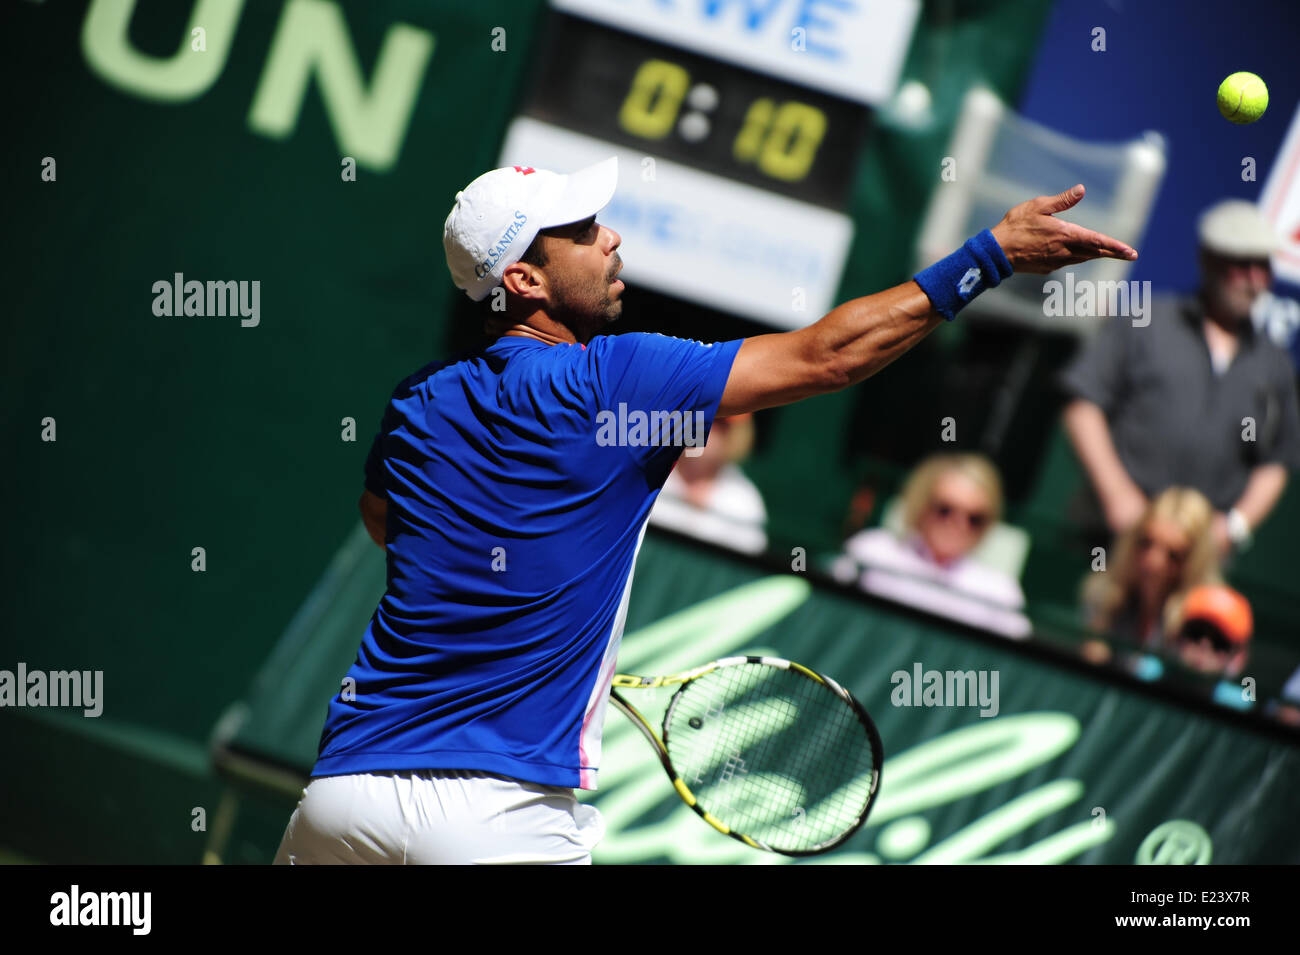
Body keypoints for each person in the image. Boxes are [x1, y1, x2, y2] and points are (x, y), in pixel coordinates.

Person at [273, 158, 1135, 865]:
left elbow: (385, 519)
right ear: (525, 277)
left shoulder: (417, 401)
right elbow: (831, 356)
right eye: (581, 232)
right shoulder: (620, 379)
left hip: (345, 797)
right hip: (499, 821)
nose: (610, 238)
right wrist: (988, 255)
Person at [1060, 199, 1300, 560]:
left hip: (1196, 562)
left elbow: (1277, 460)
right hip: (1107, 542)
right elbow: (1083, 405)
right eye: (1241, 264)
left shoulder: (1274, 363)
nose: (1254, 280)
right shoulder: (1146, 322)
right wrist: (1117, 495)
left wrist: (1234, 527)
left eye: (1262, 266)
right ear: (1209, 260)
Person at [834, 453, 1031, 638]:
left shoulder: (1000, 592)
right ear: (921, 504)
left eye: (974, 518)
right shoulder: (871, 552)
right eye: (945, 510)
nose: (958, 524)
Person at [1079, 486, 1222, 652]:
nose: (1153, 562)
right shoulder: (1104, 598)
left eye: (1173, 555)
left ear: (1194, 564)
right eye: (1146, 543)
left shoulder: (1207, 627)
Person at [649, 413, 767, 554]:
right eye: (698, 418)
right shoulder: (643, 474)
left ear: (735, 434)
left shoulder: (745, 501)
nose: (706, 429)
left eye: (718, 423)